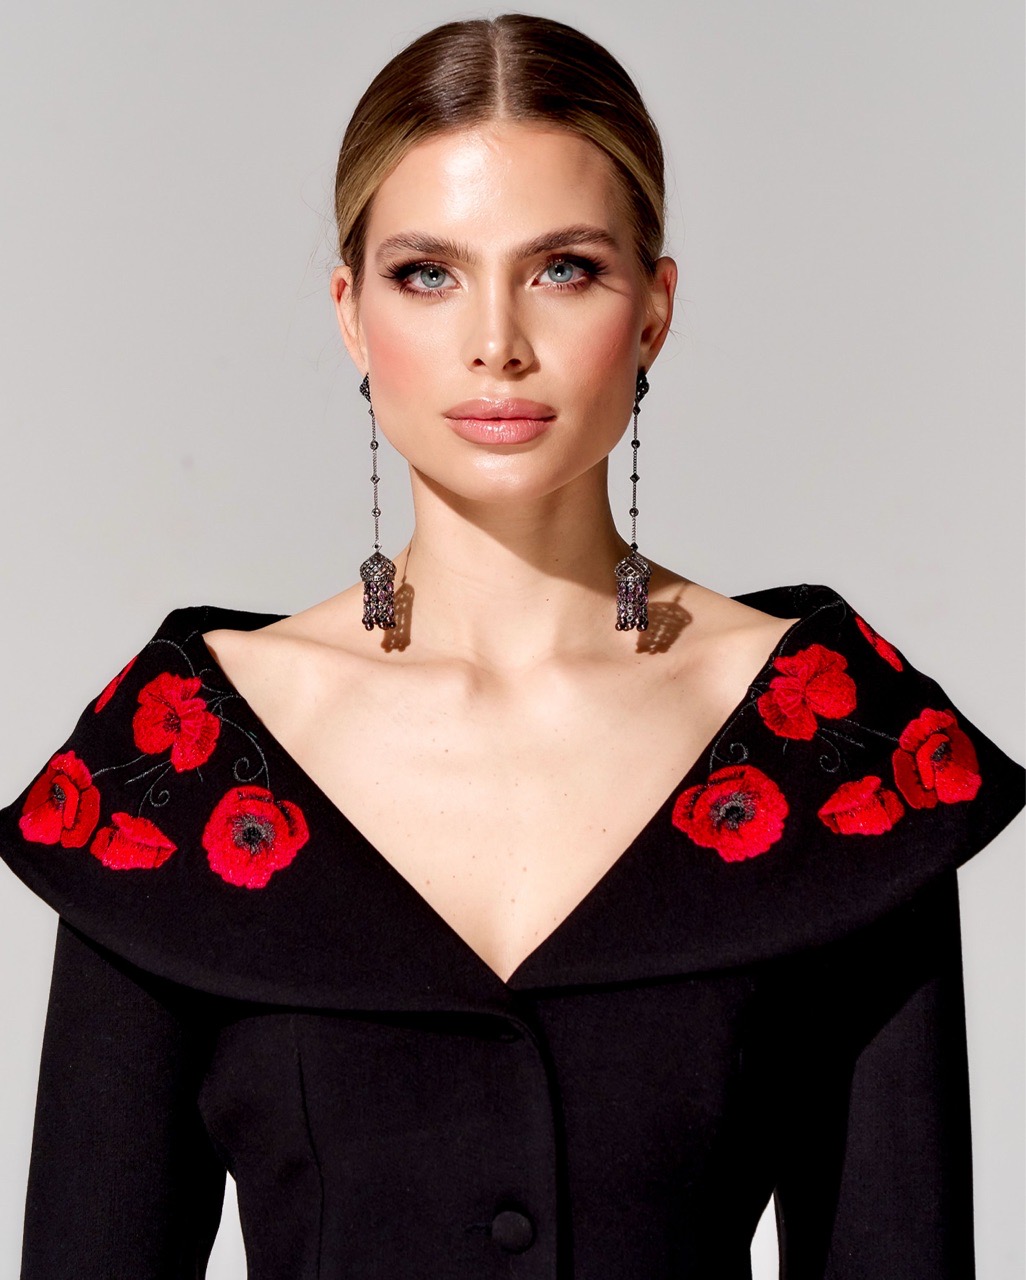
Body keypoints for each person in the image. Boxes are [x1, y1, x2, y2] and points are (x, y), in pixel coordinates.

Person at [0, 12, 1023, 1278]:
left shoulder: (836, 747)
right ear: (349, 313)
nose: (497, 340)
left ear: (654, 310)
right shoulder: (182, 767)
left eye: (565, 268)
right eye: (428, 273)